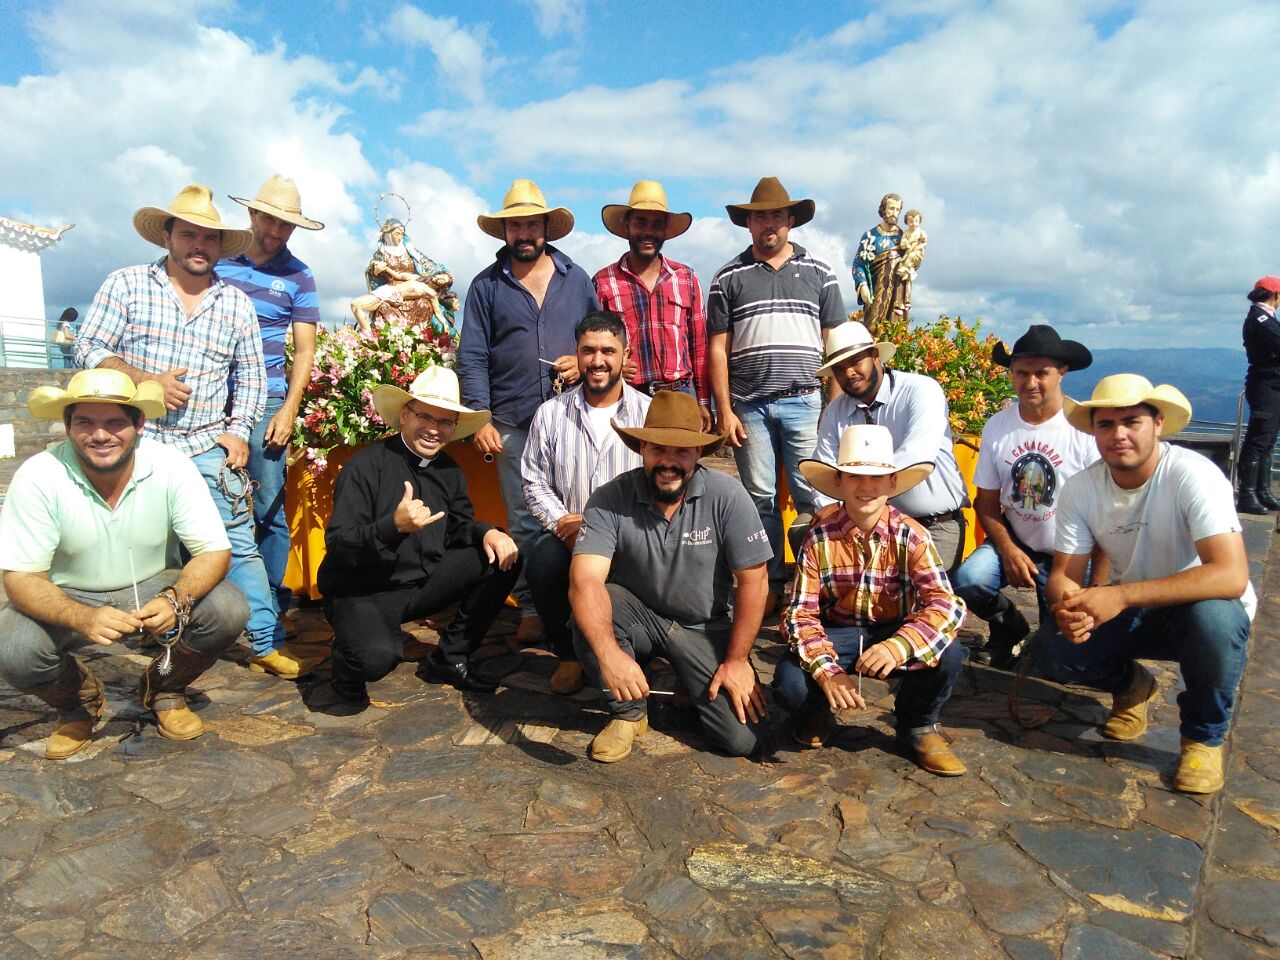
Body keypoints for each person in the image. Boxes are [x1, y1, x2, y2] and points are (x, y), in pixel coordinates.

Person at [73, 185, 279, 671]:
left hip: (208, 442)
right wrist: (145, 382)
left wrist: (237, 430)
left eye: (209, 238)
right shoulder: (125, 285)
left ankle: (266, 643)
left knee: (237, 543)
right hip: (138, 445)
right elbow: (89, 350)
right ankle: (150, 632)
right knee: (143, 547)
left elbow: (250, 374)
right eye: (189, 234)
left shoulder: (235, 303)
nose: (199, 246)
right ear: (167, 236)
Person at [0, 369, 249, 758]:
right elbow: (20, 577)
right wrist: (82, 618)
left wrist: (174, 599)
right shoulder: (38, 475)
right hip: (67, 593)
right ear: (67, 427)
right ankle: (76, 703)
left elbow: (214, 551)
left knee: (229, 608)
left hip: (153, 583)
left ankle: (165, 690)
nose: (101, 435)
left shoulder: (171, 465)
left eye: (115, 422)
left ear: (139, 425)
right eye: (86, 422)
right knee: (12, 647)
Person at [1041, 375, 1254, 795]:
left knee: (1217, 622)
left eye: (1131, 421)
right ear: (1094, 431)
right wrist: (1070, 606)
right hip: (1137, 609)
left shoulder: (1194, 476)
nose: (1118, 434)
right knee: (1051, 648)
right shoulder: (1082, 488)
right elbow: (1064, 572)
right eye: (1106, 425)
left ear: (1157, 424)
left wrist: (1118, 595)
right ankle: (1132, 687)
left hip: (1198, 605)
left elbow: (1231, 574)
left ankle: (1202, 739)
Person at [570, 391, 773, 762]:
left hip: (705, 629)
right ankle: (628, 714)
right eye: (658, 448)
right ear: (641, 448)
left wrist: (738, 660)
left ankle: (689, 677)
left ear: (698, 453)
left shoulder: (728, 496)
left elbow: (754, 580)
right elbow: (585, 580)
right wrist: (608, 654)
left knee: (741, 740)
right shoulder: (610, 497)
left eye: (681, 451)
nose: (668, 461)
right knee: (594, 606)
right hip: (639, 615)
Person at [318, 366, 520, 705]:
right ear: (404, 414)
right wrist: (391, 526)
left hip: (420, 585)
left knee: (506, 556)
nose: (433, 429)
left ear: (454, 428)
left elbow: (458, 529)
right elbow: (338, 545)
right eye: (425, 416)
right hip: (363, 590)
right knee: (375, 660)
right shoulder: (364, 466)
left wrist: (488, 532)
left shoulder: (450, 472)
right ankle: (345, 659)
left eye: (445, 422)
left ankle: (450, 657)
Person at [775, 424, 968, 775]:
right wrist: (828, 671)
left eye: (876, 477)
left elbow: (945, 603)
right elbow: (799, 615)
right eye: (854, 476)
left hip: (894, 629)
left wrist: (900, 645)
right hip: (839, 633)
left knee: (950, 653)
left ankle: (918, 724)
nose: (866, 487)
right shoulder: (817, 539)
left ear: (892, 484)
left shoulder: (912, 535)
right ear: (839, 484)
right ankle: (815, 709)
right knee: (789, 680)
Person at [457, 179, 601, 644]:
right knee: (522, 517)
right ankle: (534, 608)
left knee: (579, 510)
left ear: (545, 228)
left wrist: (581, 363)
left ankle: (583, 599)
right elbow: (472, 355)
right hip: (513, 420)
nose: (524, 232)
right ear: (504, 231)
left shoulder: (576, 279)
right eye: (515, 224)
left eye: (532, 224)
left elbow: (598, 336)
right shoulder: (484, 286)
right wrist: (479, 417)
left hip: (570, 418)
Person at [707, 177, 847, 604]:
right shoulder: (728, 277)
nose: (768, 223)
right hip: (749, 406)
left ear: (790, 221)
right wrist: (725, 409)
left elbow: (836, 343)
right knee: (759, 499)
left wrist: (835, 407)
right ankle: (769, 584)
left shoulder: (820, 273)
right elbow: (717, 350)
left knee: (815, 494)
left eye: (775, 215)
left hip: (805, 400)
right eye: (759, 215)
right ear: (748, 223)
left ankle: (817, 584)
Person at [219, 175, 323, 678]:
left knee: (268, 508)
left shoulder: (299, 275)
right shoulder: (217, 261)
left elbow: (304, 349)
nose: (278, 229)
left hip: (269, 401)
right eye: (271, 218)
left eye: (287, 222)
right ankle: (209, 609)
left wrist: (289, 409)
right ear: (253, 216)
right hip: (209, 400)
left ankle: (270, 612)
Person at [951, 325, 1100, 668]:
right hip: (1018, 537)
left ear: (1061, 372)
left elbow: (1102, 511)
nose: (1030, 383)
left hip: (1072, 551)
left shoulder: (1084, 429)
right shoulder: (998, 426)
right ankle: (1009, 625)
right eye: (1021, 373)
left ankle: (1049, 642)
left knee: (1060, 661)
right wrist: (1009, 550)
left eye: (1041, 373)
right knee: (969, 581)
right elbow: (986, 501)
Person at [521, 311, 651, 695]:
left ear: (625, 354)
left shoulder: (648, 413)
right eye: (588, 350)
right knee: (542, 566)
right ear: (576, 355)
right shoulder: (551, 413)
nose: (598, 361)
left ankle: (640, 650)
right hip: (570, 535)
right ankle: (570, 655)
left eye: (608, 351)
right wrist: (564, 524)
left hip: (634, 533)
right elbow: (533, 480)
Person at [804, 321, 969, 574]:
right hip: (867, 523)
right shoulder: (836, 411)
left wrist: (855, 500)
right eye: (839, 368)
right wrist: (827, 508)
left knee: (907, 601)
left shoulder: (921, 391)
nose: (849, 373)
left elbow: (916, 456)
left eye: (856, 361)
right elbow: (824, 465)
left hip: (935, 524)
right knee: (805, 530)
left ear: (875, 356)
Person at [594, 180, 711, 429]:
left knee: (677, 466)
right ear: (627, 226)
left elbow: (699, 346)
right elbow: (594, 345)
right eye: (640, 223)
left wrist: (702, 402)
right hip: (626, 395)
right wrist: (615, 366)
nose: (648, 232)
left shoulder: (686, 278)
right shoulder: (604, 282)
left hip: (681, 394)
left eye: (656, 225)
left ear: (665, 230)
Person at [350, 218, 458, 334]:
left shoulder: (412, 252)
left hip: (412, 291)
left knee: (424, 305)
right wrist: (376, 270)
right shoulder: (381, 254)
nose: (400, 237)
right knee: (383, 307)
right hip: (391, 288)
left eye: (401, 234)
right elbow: (380, 274)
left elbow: (431, 266)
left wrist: (445, 274)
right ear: (388, 234)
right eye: (397, 234)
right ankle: (377, 338)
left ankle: (421, 338)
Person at [1237, 275, 1280, 514]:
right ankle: (1248, 495)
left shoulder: (1264, 318)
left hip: (1272, 385)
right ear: (1275, 296)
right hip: (1266, 386)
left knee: (1268, 439)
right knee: (1258, 439)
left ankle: (1262, 491)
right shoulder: (1261, 319)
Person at [852, 193, 907, 331]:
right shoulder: (870, 236)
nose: (894, 213)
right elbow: (858, 264)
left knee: (895, 331)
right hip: (876, 293)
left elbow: (911, 262)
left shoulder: (904, 238)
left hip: (897, 295)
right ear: (883, 209)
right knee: (873, 330)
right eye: (891, 208)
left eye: (897, 210)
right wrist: (862, 285)